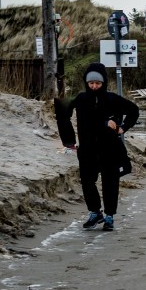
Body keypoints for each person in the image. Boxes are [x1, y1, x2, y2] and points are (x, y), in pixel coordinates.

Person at [56, 62, 139, 232]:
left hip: (110, 148)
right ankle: (95, 213)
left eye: (98, 83)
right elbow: (65, 112)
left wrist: (122, 127)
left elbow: (134, 110)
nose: (94, 86)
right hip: (87, 148)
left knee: (110, 182)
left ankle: (109, 216)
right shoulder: (80, 98)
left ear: (104, 83)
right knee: (87, 181)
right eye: (91, 83)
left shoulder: (112, 99)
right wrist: (69, 140)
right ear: (86, 83)